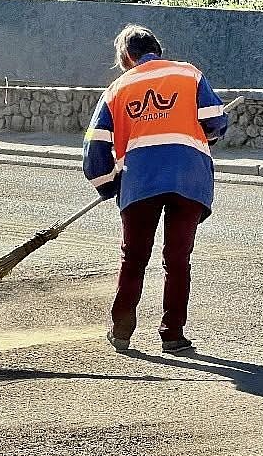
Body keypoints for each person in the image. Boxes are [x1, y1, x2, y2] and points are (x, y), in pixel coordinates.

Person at [82, 24, 227, 354]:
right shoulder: (189, 75)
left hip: (140, 180)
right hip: (188, 178)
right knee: (177, 259)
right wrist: (206, 139)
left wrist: (108, 184)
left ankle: (121, 331)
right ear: (156, 50)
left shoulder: (116, 90)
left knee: (133, 258)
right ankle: (172, 335)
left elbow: (95, 150)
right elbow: (215, 121)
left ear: (126, 56)